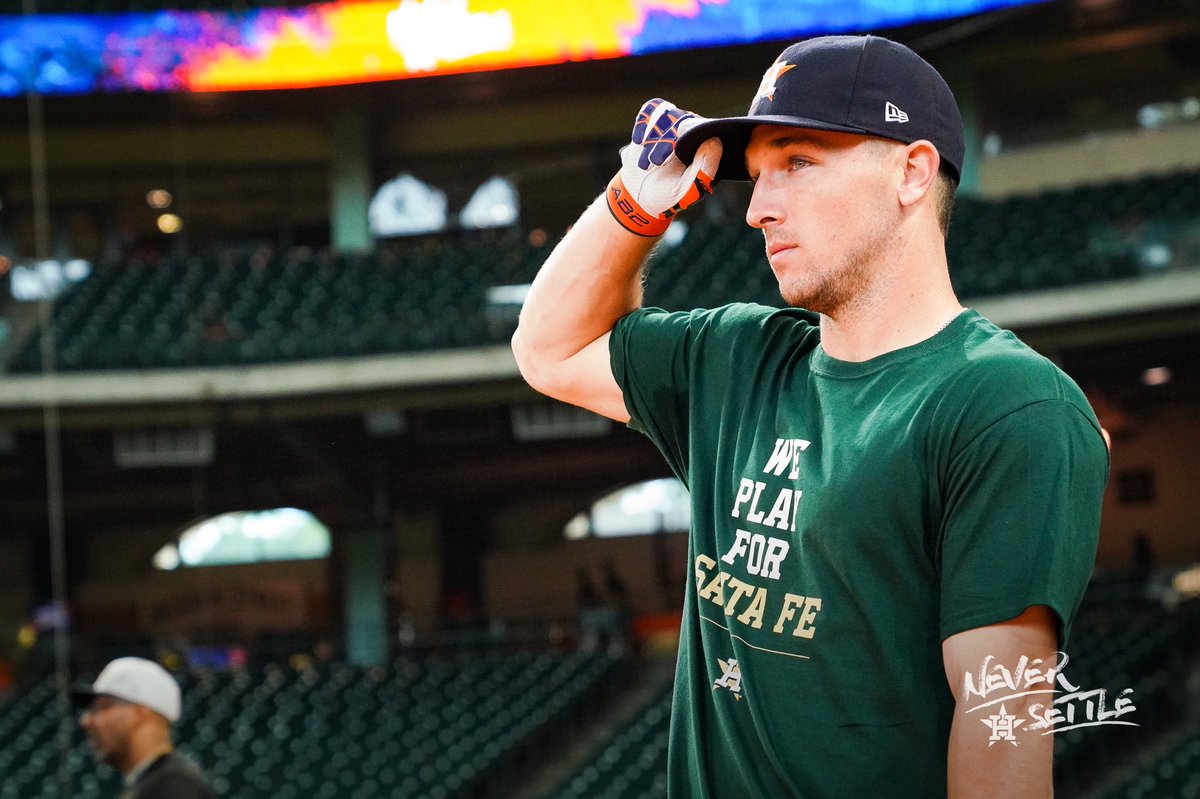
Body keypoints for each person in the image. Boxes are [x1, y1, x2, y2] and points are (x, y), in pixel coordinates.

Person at [512, 34, 1109, 798]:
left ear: (912, 172)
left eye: (797, 162)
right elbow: (549, 351)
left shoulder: (1008, 405)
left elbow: (1001, 727)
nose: (759, 208)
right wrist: (632, 207)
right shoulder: (735, 358)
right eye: (756, 175)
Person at [73, 656, 217, 799]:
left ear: (140, 713)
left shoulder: (173, 787)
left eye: (102, 707)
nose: (86, 721)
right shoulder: (154, 782)